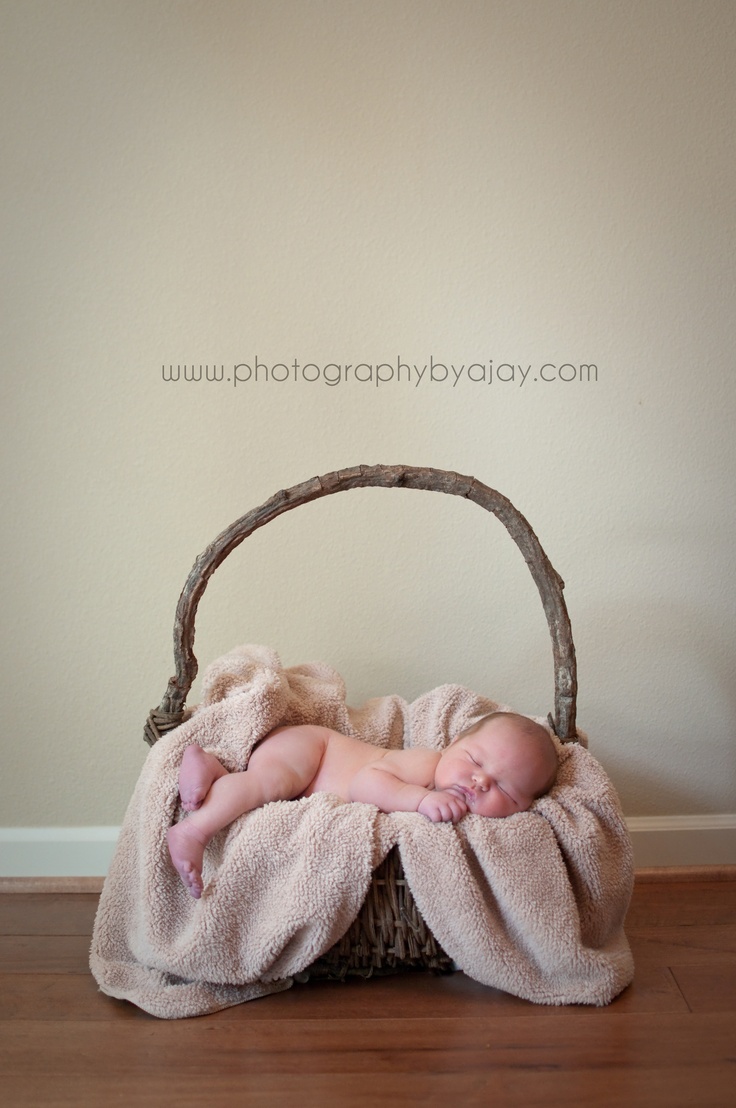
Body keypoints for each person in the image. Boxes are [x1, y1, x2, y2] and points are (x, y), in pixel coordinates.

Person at [167, 711, 558, 898]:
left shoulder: (495, 831)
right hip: (314, 752)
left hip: (309, 774)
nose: (481, 781)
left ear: (524, 808)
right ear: (451, 745)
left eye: (505, 790)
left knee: (258, 789)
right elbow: (365, 783)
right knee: (265, 784)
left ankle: (212, 770)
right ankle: (193, 831)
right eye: (474, 761)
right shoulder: (426, 765)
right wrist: (420, 799)